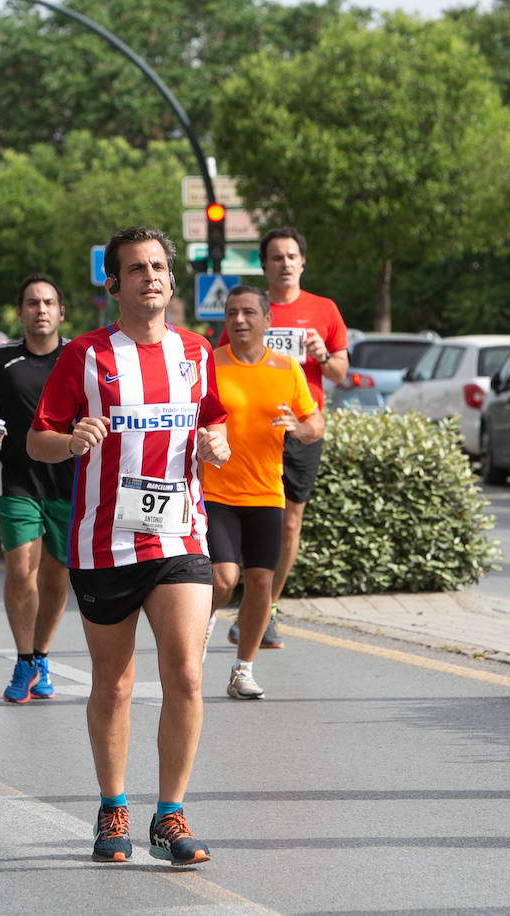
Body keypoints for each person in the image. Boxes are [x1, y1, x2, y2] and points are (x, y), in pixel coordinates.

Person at [27, 226, 229, 867]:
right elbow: (37, 439)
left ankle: (170, 814)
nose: (151, 277)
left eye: (159, 267)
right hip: (103, 542)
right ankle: (112, 807)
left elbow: (214, 419)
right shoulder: (84, 355)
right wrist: (71, 441)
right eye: (137, 268)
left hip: (179, 534)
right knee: (114, 686)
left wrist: (217, 443)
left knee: (187, 674)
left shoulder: (195, 351)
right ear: (113, 284)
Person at [220, 226, 348, 649]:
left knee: (291, 521)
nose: (285, 264)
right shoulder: (248, 308)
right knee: (244, 518)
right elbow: (222, 362)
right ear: (264, 265)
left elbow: (340, 372)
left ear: (303, 262)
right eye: (277, 257)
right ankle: (243, 596)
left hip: (299, 427)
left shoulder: (324, 309)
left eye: (292, 256)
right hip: (250, 429)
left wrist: (322, 356)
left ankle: (266, 606)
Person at [204, 286, 323, 700]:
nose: (239, 320)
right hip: (216, 491)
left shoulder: (286, 368)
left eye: (249, 312)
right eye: (232, 312)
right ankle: (201, 627)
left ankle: (243, 671)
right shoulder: (210, 363)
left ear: (267, 320)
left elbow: (315, 422)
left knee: (260, 583)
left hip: (266, 494)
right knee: (223, 579)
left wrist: (300, 428)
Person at [0, 274, 73, 703]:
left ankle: (41, 655)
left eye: (48, 303)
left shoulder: (80, 357)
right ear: (21, 312)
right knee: (22, 569)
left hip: (68, 479)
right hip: (15, 479)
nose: (41, 310)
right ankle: (24, 658)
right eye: (32, 303)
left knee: (57, 575)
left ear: (61, 312)